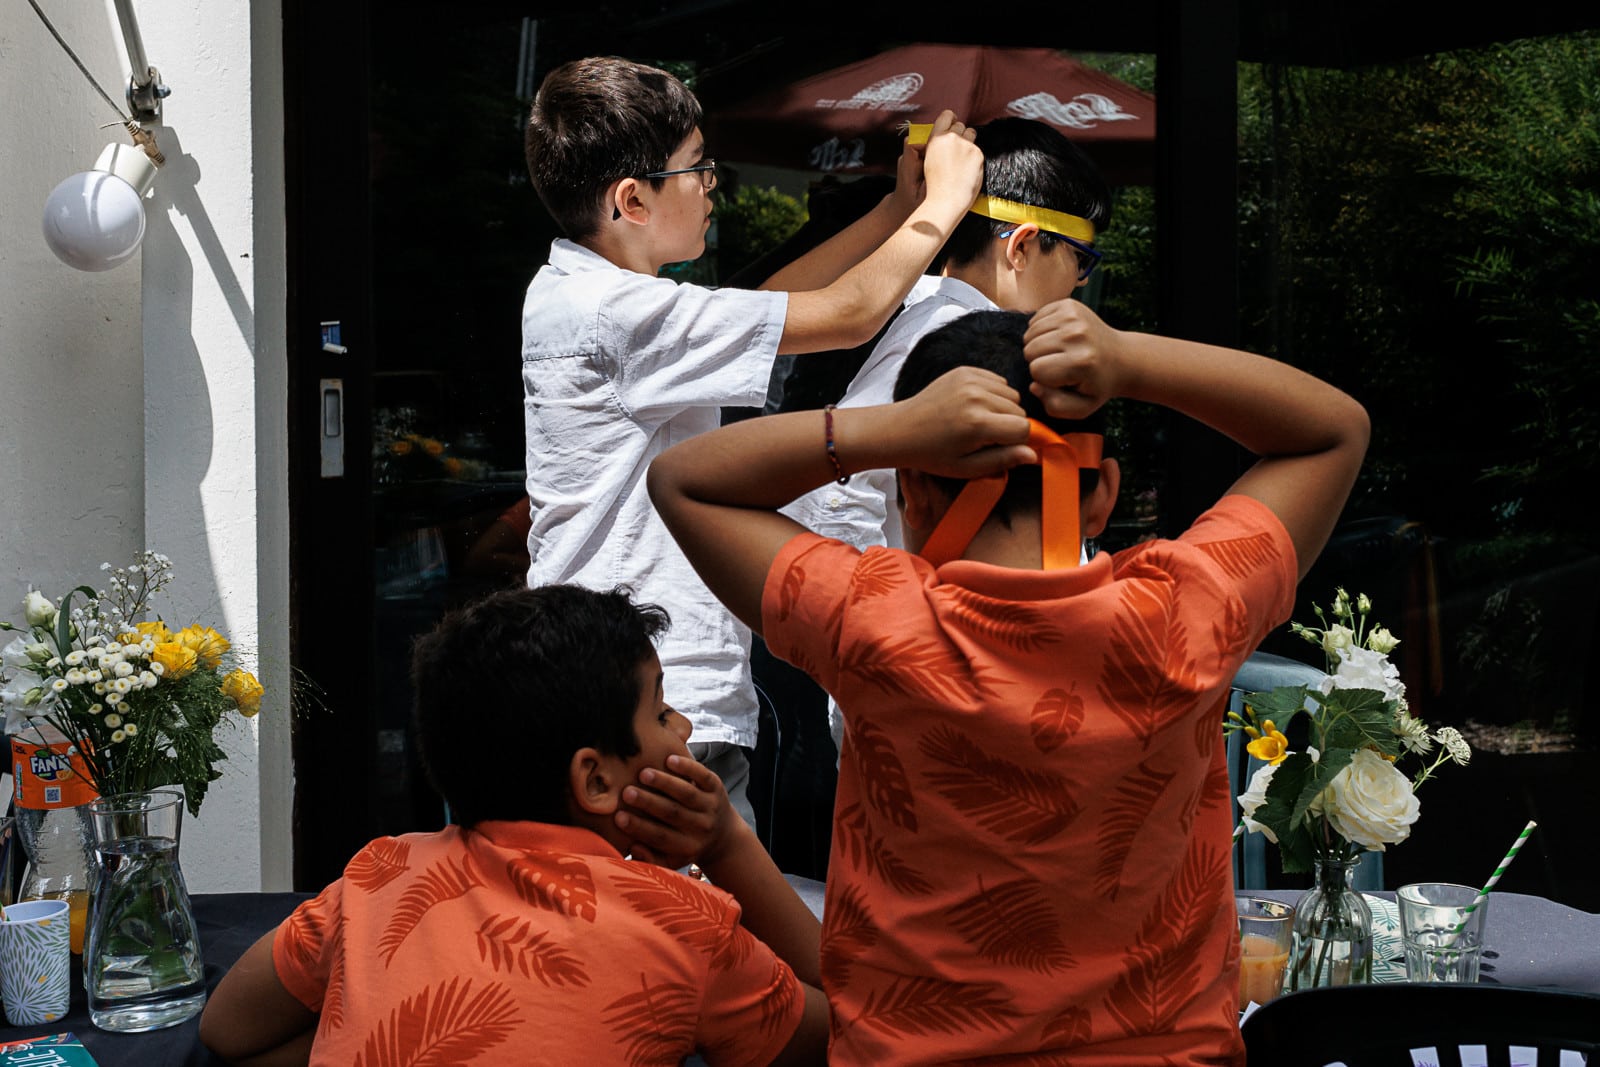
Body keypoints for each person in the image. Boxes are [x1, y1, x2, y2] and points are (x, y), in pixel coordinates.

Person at [646, 307, 1369, 1063]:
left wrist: (884, 431)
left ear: (910, 491)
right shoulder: (1187, 610)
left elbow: (685, 479)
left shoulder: (869, 620)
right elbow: (1333, 429)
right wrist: (1128, 359)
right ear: (1102, 492)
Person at [518, 56, 983, 828]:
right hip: (652, 705)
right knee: (693, 939)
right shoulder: (616, 313)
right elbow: (850, 313)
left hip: (608, 682)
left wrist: (898, 211)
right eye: (697, 169)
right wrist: (945, 203)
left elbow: (767, 309)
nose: (712, 185)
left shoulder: (584, 294)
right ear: (632, 199)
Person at [198, 584, 829, 1067]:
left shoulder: (380, 874)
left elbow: (227, 1032)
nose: (685, 727)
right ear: (598, 781)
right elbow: (856, 1024)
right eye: (662, 710)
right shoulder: (684, 923)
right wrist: (729, 845)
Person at [780, 115, 1113, 755]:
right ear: (1020, 246)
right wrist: (875, 648)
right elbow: (832, 495)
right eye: (1081, 258)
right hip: (928, 695)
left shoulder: (938, 314)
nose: (1080, 283)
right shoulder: (952, 337)